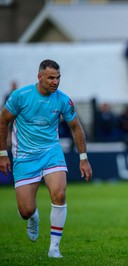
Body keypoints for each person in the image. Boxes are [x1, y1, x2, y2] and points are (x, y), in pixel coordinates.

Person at [0, 59, 93, 258]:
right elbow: (3, 121)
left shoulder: (62, 99)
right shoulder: (20, 96)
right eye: (51, 78)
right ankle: (33, 217)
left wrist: (83, 158)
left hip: (51, 152)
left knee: (59, 194)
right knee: (25, 210)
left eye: (58, 78)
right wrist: (2, 154)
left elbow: (75, 127)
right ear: (40, 77)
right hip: (24, 157)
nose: (55, 82)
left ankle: (54, 248)